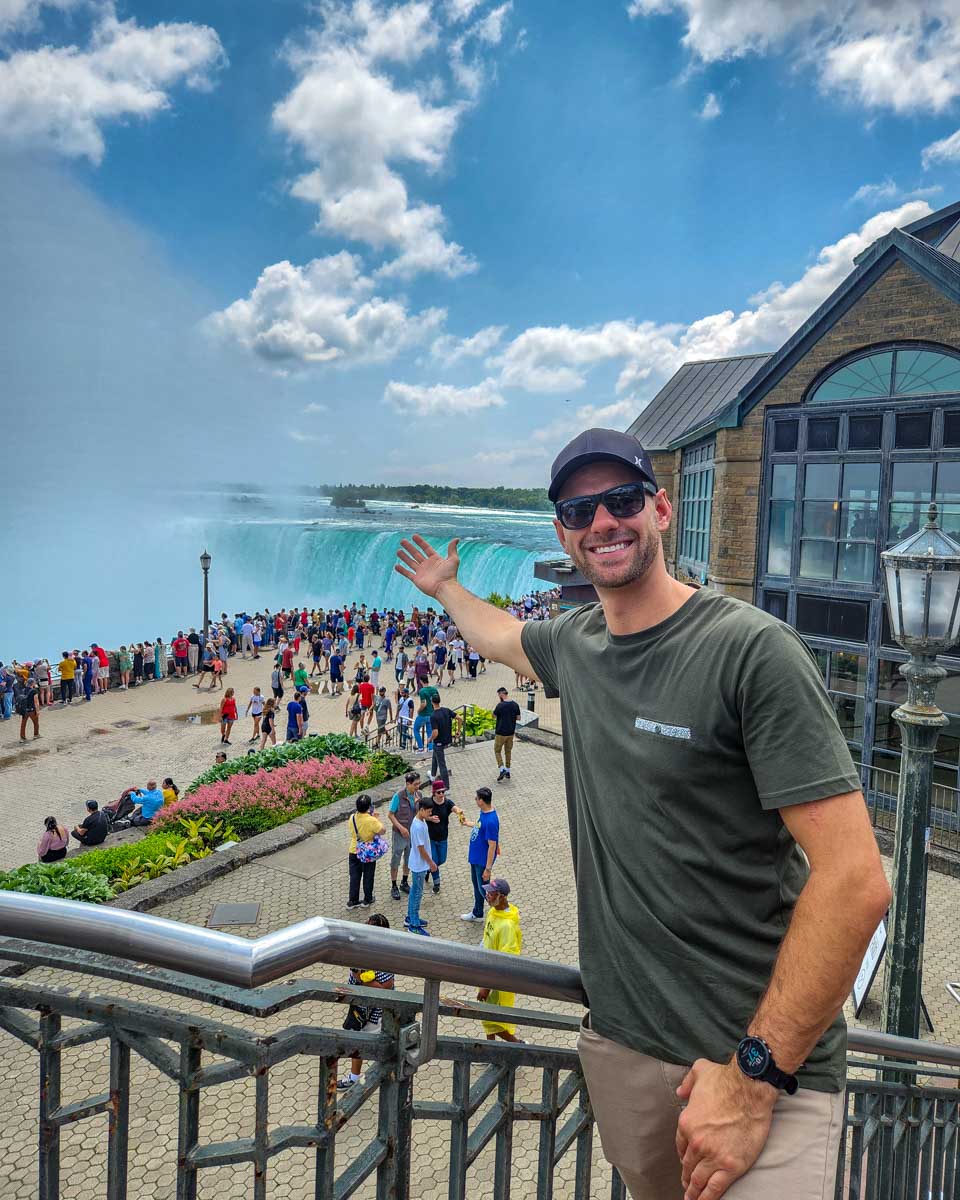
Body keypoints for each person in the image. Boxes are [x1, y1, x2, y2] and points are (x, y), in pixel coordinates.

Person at [394, 427, 890, 1200]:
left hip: (762, 1072)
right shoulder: (577, 645)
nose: (603, 523)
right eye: (579, 509)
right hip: (625, 1054)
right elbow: (498, 635)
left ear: (661, 509)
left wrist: (754, 1076)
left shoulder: (750, 652)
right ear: (563, 532)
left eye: (622, 500)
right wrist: (447, 589)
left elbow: (856, 883)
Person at [336, 913, 395, 1091]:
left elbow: (385, 987)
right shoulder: (363, 948)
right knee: (358, 1042)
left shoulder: (385, 955)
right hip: (359, 1005)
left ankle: (387, 1073)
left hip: (376, 1012)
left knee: (375, 1045)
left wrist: (360, 978)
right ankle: (355, 1078)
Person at [477, 878, 524, 1043]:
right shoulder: (493, 912)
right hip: (484, 972)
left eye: (491, 893)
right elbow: (486, 938)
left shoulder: (507, 927)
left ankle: (518, 1045)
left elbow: (504, 963)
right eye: (487, 892)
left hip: (495, 982)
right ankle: (490, 1049)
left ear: (502, 896)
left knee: (492, 1021)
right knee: (486, 1017)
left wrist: (487, 986)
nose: (487, 896)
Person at [460, 787, 499, 923]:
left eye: (476, 798)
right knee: (477, 886)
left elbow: (492, 845)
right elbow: (479, 826)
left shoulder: (491, 821)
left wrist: (488, 869)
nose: (475, 800)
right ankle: (477, 913)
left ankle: (500, 913)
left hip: (482, 862)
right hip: (476, 858)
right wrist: (468, 823)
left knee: (485, 890)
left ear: (481, 801)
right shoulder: (484, 813)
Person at [424, 780, 463, 894]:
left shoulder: (447, 803)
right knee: (434, 861)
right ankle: (437, 884)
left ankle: (429, 870)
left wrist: (459, 812)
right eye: (438, 792)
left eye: (443, 792)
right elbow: (421, 816)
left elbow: (454, 808)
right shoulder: (429, 803)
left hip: (443, 837)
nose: (441, 795)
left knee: (442, 859)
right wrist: (430, 819)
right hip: (430, 838)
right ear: (434, 793)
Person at [347, 794, 386, 909]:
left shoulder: (352, 817)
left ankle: (352, 901)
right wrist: (376, 818)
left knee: (354, 876)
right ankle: (367, 899)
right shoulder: (371, 820)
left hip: (354, 850)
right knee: (368, 876)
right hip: (367, 852)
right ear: (369, 807)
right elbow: (383, 830)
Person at [404, 796, 436, 935]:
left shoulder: (421, 819)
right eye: (429, 812)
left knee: (414, 892)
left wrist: (430, 818)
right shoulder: (417, 826)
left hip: (419, 864)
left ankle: (410, 917)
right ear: (421, 810)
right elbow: (421, 848)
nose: (430, 814)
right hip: (419, 865)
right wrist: (431, 863)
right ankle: (414, 925)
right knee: (417, 894)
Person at [387, 770, 420, 900]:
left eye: (419, 784)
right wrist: (400, 828)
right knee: (396, 859)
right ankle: (394, 885)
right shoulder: (398, 796)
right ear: (408, 784)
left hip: (412, 834)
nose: (417, 787)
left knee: (409, 859)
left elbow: (419, 813)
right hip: (400, 834)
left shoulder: (419, 795)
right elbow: (390, 815)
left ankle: (404, 882)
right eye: (415, 784)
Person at [493, 686, 522, 781]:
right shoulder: (515, 705)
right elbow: (518, 718)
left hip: (500, 732)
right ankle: (508, 771)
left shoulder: (500, 705)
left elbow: (493, 716)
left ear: (502, 694)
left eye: (498, 695)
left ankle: (502, 769)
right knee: (508, 751)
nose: (498, 696)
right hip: (511, 732)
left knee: (497, 751)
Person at [428, 693, 456, 790]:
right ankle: (432, 775)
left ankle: (446, 787)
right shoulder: (446, 710)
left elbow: (435, 732)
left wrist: (430, 739)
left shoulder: (433, 716)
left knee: (442, 764)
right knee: (435, 756)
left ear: (432, 702)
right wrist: (458, 730)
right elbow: (459, 718)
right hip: (447, 740)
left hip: (439, 742)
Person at [15, 675, 40, 742]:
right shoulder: (34, 691)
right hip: (32, 710)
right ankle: (36, 735)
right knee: (36, 723)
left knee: (23, 724)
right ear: (33, 683)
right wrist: (37, 711)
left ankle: (22, 738)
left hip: (24, 710)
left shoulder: (23, 690)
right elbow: (36, 702)